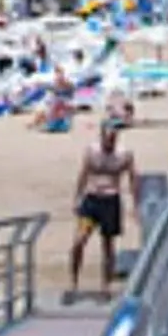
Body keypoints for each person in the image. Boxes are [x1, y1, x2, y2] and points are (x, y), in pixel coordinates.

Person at [70, 116, 137, 294]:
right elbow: (83, 175)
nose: (111, 140)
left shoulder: (125, 154)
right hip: (91, 200)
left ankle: (105, 285)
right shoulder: (92, 151)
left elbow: (133, 179)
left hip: (111, 201)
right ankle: (73, 283)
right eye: (108, 136)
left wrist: (135, 204)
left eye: (114, 136)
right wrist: (77, 198)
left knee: (108, 245)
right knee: (79, 240)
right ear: (101, 134)